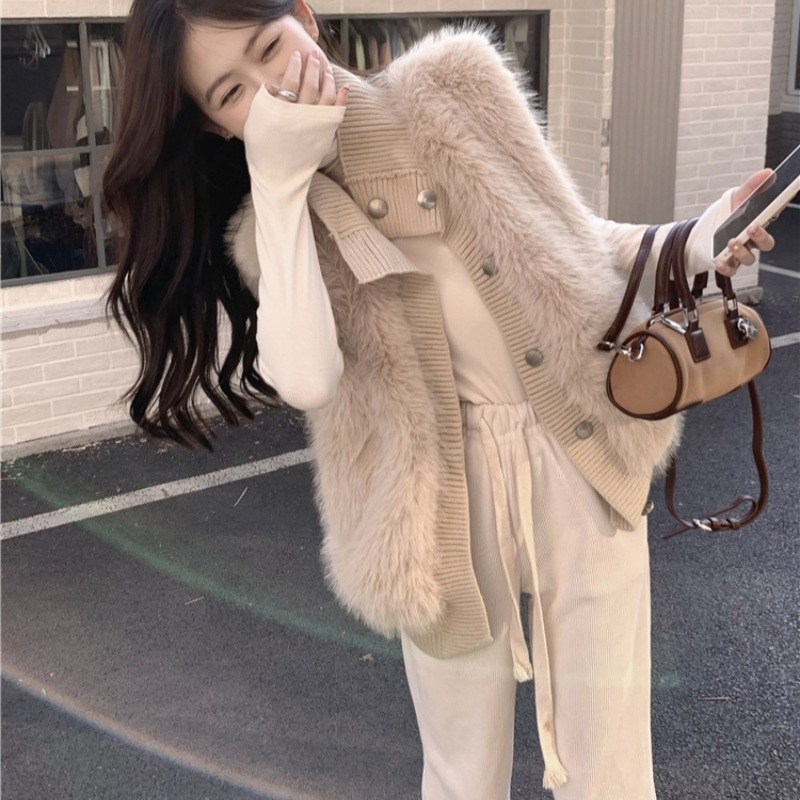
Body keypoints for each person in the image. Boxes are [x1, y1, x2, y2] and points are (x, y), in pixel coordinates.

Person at [102, 1, 777, 797]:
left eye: (267, 47)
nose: (271, 89)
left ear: (305, 18)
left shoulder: (458, 83)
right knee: (462, 774)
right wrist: (279, 183)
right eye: (231, 93)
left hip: (575, 446)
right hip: (429, 505)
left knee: (612, 764)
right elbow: (307, 378)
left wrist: (699, 241)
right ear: (215, 127)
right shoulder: (275, 227)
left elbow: (573, 239)